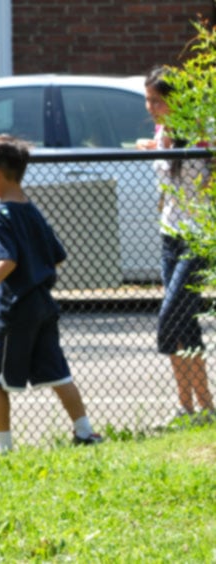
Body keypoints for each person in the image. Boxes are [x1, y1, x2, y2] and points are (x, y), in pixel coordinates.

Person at [0, 134, 103, 451]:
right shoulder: (33, 211)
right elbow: (56, 255)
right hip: (42, 305)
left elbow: (7, 261)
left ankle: (5, 449)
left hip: (14, 310)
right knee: (59, 374)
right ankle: (84, 432)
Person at [138, 66, 215, 424]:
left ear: (176, 100)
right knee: (186, 324)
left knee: (170, 318)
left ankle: (203, 408)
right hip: (169, 233)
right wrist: (153, 145)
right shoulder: (162, 131)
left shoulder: (203, 129)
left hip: (198, 237)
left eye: (157, 101)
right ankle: (193, 408)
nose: (150, 107)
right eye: (148, 100)